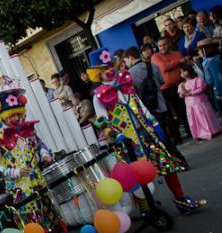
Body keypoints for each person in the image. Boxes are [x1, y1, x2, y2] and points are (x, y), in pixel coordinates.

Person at [88, 48, 207, 215]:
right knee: (136, 177)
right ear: (97, 73)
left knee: (167, 165)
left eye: (110, 66)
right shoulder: (99, 95)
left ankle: (181, 200)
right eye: (104, 69)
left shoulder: (125, 85)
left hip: (146, 134)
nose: (110, 70)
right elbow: (101, 121)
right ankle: (146, 209)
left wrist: (155, 125)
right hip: (127, 142)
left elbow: (142, 107)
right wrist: (116, 136)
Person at [0, 76, 79, 233]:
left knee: (52, 220)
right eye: (11, 116)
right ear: (2, 116)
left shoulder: (29, 131)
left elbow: (42, 146)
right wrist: (15, 172)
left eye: (18, 114)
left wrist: (45, 155)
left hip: (39, 183)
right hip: (20, 192)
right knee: (33, 228)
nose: (15, 119)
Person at [152, 37, 191, 139]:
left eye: (164, 44)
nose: (162, 47)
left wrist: (178, 61)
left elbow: (184, 66)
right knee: (169, 114)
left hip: (180, 85)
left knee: (183, 110)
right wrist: (179, 61)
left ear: (168, 44)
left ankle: (190, 130)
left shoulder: (176, 54)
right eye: (160, 46)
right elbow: (163, 67)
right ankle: (176, 137)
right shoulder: (155, 57)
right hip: (165, 89)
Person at [178, 64, 222, 140]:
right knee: (194, 119)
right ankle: (199, 133)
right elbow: (180, 95)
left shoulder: (198, 80)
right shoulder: (182, 84)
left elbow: (202, 88)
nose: (182, 73)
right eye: (181, 72)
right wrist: (183, 93)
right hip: (190, 104)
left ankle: (210, 130)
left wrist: (191, 93)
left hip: (200, 102)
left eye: (184, 71)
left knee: (204, 116)